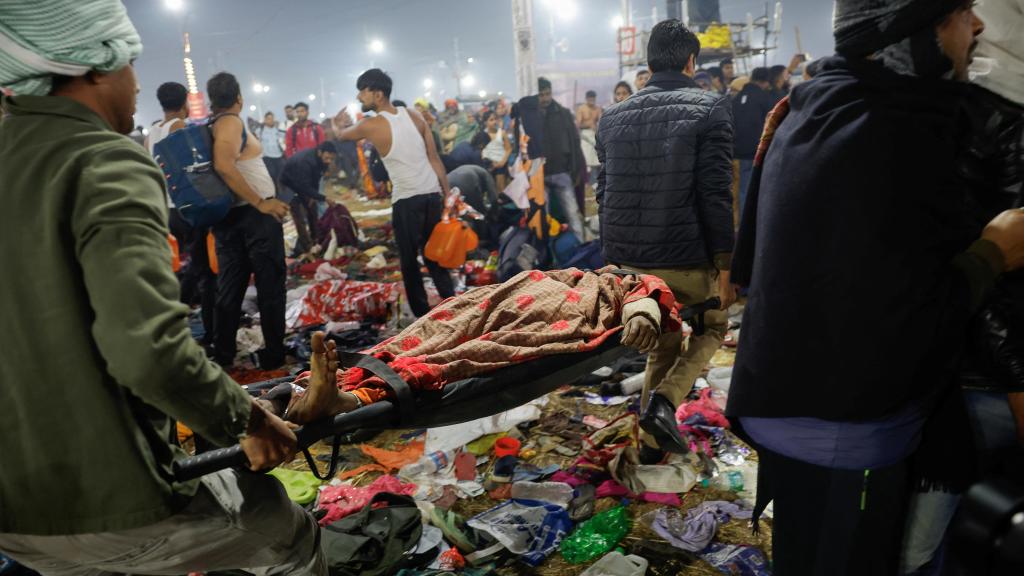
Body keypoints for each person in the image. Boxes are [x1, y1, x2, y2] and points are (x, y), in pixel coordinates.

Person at [0, 2, 324, 574]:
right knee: (284, 531)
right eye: (129, 64)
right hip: (106, 501)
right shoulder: (102, 160)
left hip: (14, 516)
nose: (137, 82)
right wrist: (247, 419)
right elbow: (146, 349)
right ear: (96, 66)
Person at [725, 2, 1024, 574]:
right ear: (914, 30)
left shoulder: (819, 103)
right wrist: (993, 253)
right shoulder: (892, 132)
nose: (978, 25)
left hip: (790, 405)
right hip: (844, 428)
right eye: (961, 12)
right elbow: (900, 316)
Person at [596, 19, 735, 463]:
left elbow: (603, 193)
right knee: (714, 325)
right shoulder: (709, 109)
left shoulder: (611, 117)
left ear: (649, 62)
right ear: (691, 61)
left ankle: (652, 444)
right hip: (684, 259)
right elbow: (715, 194)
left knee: (664, 339)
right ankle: (666, 401)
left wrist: (614, 262)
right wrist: (726, 265)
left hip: (626, 267)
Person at [333, 69, 455, 317]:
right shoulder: (414, 115)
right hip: (432, 194)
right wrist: (447, 196)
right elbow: (435, 159)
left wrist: (337, 123)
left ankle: (423, 314)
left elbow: (340, 136)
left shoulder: (370, 124)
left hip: (407, 200)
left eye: (362, 90)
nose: (358, 97)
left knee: (409, 262)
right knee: (435, 256)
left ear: (377, 94)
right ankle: (454, 304)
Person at [206, 72, 290, 370]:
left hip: (232, 218)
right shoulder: (231, 121)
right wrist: (261, 202)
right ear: (239, 98)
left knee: (231, 286)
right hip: (252, 217)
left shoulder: (216, 123)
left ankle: (225, 352)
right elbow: (223, 165)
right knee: (269, 284)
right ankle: (274, 354)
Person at [147, 81, 217, 346]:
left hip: (167, 209)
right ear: (185, 102)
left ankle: (179, 309)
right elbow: (195, 170)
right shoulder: (180, 128)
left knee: (191, 266)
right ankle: (210, 333)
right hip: (188, 208)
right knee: (207, 273)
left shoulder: (152, 132)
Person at [532, 77, 586, 242]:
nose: (546, 98)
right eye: (541, 95)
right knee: (543, 220)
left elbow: (574, 142)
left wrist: (576, 170)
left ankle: (582, 249)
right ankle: (548, 255)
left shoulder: (563, 113)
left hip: (562, 172)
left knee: (573, 215)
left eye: (548, 94)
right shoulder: (531, 117)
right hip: (539, 176)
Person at [280, 141, 337, 255]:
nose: (329, 161)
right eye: (327, 158)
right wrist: (323, 197)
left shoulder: (321, 160)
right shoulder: (305, 161)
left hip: (303, 183)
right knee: (299, 215)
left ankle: (316, 240)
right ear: (320, 152)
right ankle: (307, 247)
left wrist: (314, 195)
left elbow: (315, 179)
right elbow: (304, 186)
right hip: (288, 185)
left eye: (331, 159)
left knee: (312, 210)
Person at [731, 67, 774, 218]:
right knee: (759, 190)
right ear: (766, 81)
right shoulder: (765, 98)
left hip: (736, 152)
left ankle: (743, 225)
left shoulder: (736, 98)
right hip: (758, 151)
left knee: (742, 190)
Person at [471, 110, 512, 190]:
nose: (494, 122)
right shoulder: (482, 135)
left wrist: (503, 162)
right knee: (491, 189)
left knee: (501, 189)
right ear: (485, 122)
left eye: (495, 119)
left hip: (501, 164)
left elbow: (508, 148)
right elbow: (481, 151)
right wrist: (489, 163)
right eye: (491, 120)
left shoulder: (501, 133)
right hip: (489, 165)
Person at [576, 89, 603, 185]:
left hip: (595, 135)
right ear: (586, 99)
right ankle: (587, 184)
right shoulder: (581, 108)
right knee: (586, 161)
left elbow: (601, 121)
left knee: (596, 161)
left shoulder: (598, 108)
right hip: (585, 136)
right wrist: (588, 125)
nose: (591, 100)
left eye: (593, 99)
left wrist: (597, 126)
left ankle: (596, 184)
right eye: (589, 98)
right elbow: (578, 125)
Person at [257, 111, 286, 186]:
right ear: (265, 120)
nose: (271, 120)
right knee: (271, 176)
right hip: (267, 157)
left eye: (272, 118)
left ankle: (282, 194)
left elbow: (283, 140)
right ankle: (274, 193)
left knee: (282, 176)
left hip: (279, 156)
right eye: (269, 119)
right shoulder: (260, 131)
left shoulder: (278, 129)